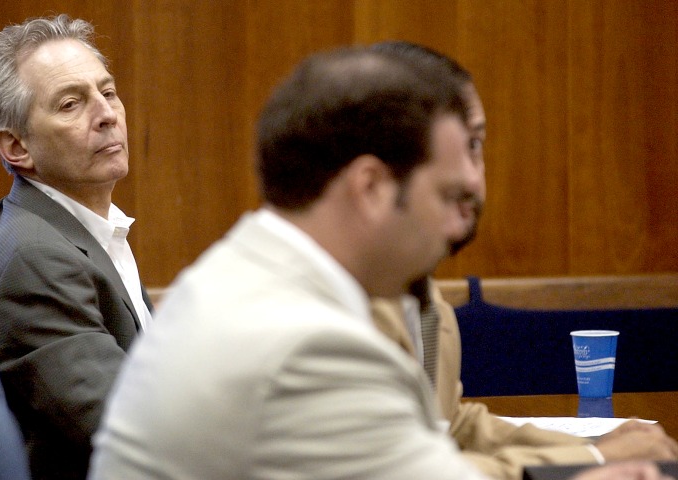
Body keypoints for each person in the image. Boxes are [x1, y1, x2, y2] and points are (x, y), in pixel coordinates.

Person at [89, 45, 489, 479]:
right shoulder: (310, 348)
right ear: (371, 187)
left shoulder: (238, 274)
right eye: (446, 195)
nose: (458, 219)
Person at [368, 41, 678, 480]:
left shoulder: (420, 291)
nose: (474, 178)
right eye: (463, 147)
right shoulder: (342, 311)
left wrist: (595, 447)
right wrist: (593, 461)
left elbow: (447, 424)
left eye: (478, 146)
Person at [0, 14, 152, 480]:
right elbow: (132, 432)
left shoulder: (72, 227)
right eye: (70, 104)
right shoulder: (35, 261)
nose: (107, 114)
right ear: (16, 146)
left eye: (108, 91)